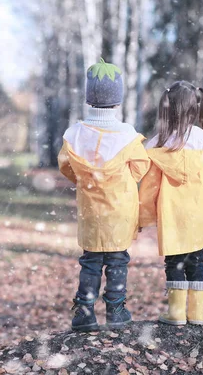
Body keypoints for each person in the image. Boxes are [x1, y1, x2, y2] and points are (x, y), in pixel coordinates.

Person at [58, 58, 150, 332]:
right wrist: (120, 182)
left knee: (90, 261)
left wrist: (87, 181)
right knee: (117, 259)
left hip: (90, 210)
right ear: (117, 101)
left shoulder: (74, 134)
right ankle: (116, 310)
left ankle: (84, 312)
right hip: (119, 209)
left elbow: (66, 166)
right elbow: (141, 165)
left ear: (89, 99)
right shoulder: (127, 134)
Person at [139, 81, 203, 326]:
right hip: (197, 215)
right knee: (197, 261)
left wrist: (143, 217)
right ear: (194, 108)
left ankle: (176, 313)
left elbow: (149, 188)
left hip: (171, 216)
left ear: (166, 109)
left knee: (174, 263)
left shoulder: (159, 144)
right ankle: (196, 314)